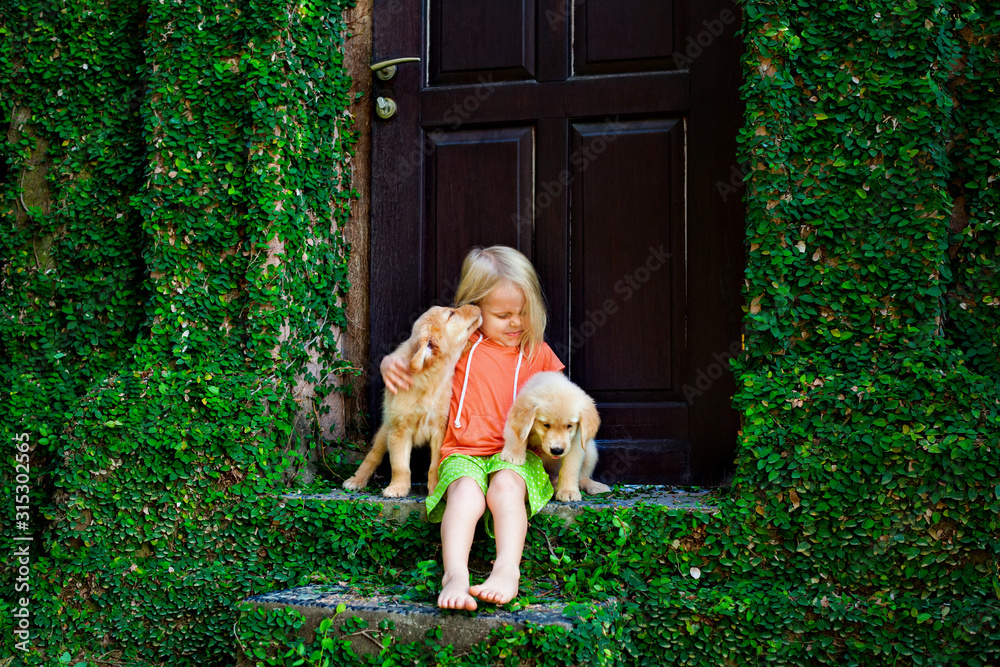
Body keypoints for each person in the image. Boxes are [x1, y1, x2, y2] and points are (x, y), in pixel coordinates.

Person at [381, 246, 564, 610]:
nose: (516, 323)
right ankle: (455, 575)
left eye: (524, 313)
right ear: (477, 309)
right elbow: (416, 353)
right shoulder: (462, 344)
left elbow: (561, 402)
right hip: (462, 451)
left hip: (514, 455)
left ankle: (507, 569)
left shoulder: (536, 352)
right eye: (503, 315)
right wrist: (391, 362)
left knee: (506, 489)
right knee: (466, 494)